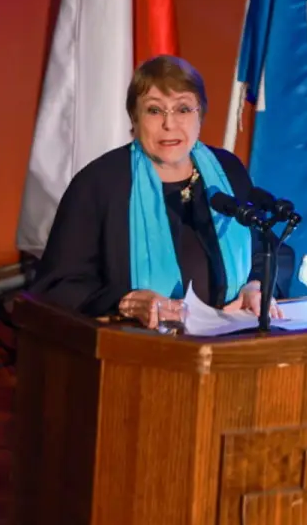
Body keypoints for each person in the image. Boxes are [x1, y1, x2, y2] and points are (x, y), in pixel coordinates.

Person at [35, 55, 286, 329]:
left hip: (232, 338)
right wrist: (126, 301)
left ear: (200, 114)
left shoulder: (227, 171)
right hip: (138, 346)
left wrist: (256, 285)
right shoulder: (99, 184)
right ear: (134, 117)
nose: (170, 124)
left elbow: (268, 249)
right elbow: (58, 287)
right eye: (154, 110)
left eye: (183, 109)